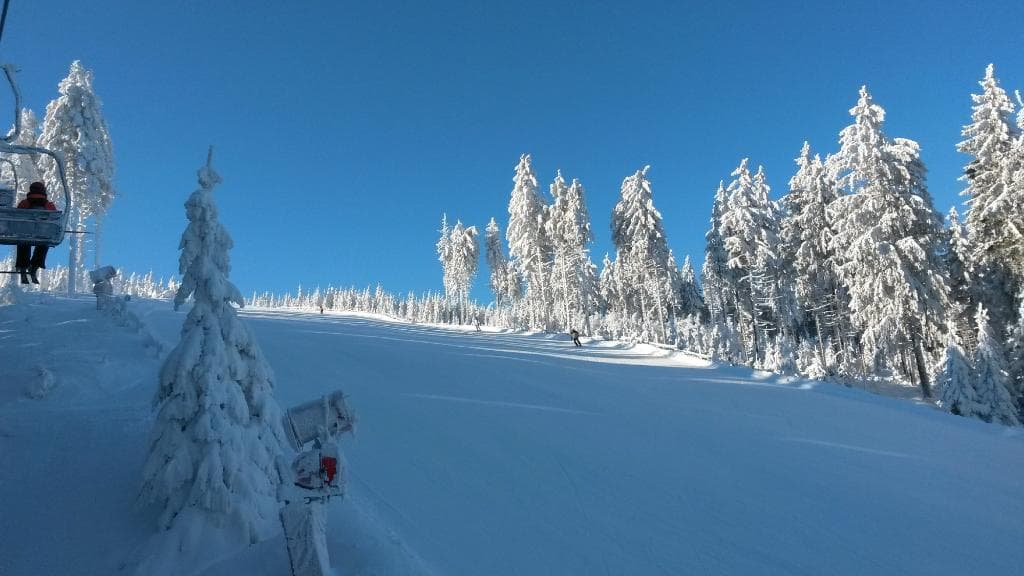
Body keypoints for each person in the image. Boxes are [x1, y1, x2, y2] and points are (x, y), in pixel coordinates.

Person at [15, 181, 57, 285]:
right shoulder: (48, 205)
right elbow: (54, 219)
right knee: (44, 243)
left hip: (25, 233)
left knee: (23, 242)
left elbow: (17, 217)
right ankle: (35, 266)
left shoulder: (24, 203)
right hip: (41, 234)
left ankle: (23, 266)